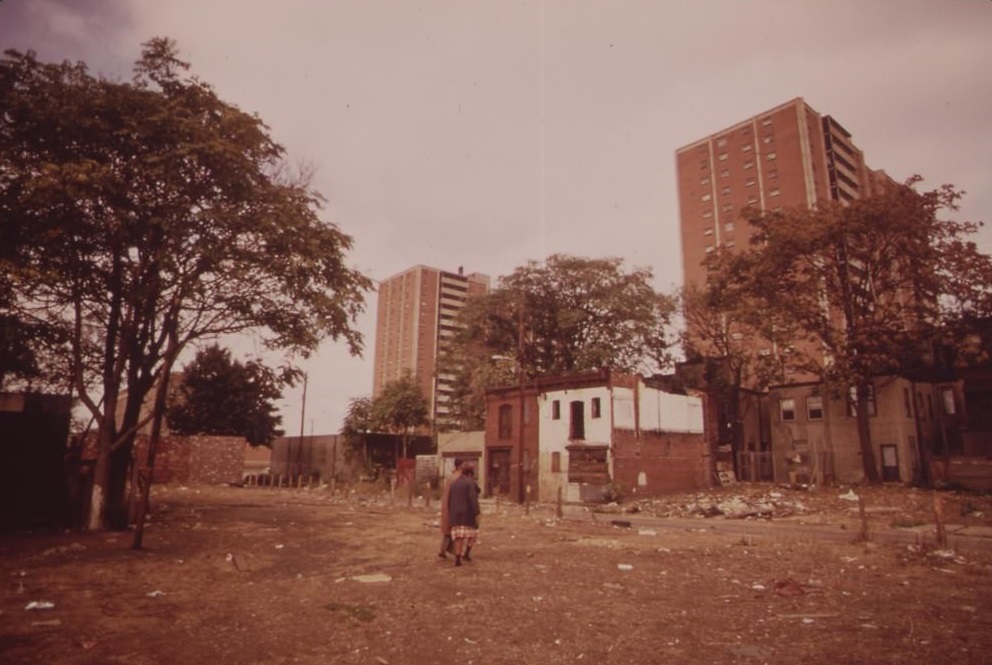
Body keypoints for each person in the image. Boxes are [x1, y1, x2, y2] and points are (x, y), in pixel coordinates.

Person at [447, 461, 480, 567]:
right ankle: (466, 553)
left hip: (455, 514)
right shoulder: (470, 483)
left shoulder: (454, 483)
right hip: (467, 514)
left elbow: (449, 500)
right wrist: (477, 512)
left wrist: (450, 512)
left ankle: (457, 557)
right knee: (473, 534)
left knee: (458, 537)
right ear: (471, 473)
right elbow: (473, 499)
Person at [437, 458, 462, 558]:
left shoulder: (451, 477)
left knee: (449, 531)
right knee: (455, 530)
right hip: (453, 506)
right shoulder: (458, 478)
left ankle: (445, 550)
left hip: (448, 505)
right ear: (460, 466)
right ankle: (455, 552)